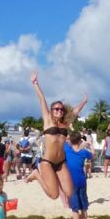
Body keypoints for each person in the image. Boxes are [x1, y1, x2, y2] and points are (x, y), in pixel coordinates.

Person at [29, 71, 88, 200]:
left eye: (61, 109)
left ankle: (53, 179)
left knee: (69, 192)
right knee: (54, 195)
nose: (59, 111)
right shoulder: (47, 120)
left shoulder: (65, 124)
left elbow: (75, 112)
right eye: (56, 109)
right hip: (48, 162)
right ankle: (37, 175)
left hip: (61, 162)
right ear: (51, 110)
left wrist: (84, 101)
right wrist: (35, 83)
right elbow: (41, 99)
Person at [65, 132, 93, 219]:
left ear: (70, 141)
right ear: (80, 141)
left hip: (72, 182)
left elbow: (63, 141)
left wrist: (68, 138)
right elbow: (92, 155)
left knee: (75, 208)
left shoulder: (67, 150)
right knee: (84, 207)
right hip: (82, 180)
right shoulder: (83, 152)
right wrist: (90, 144)